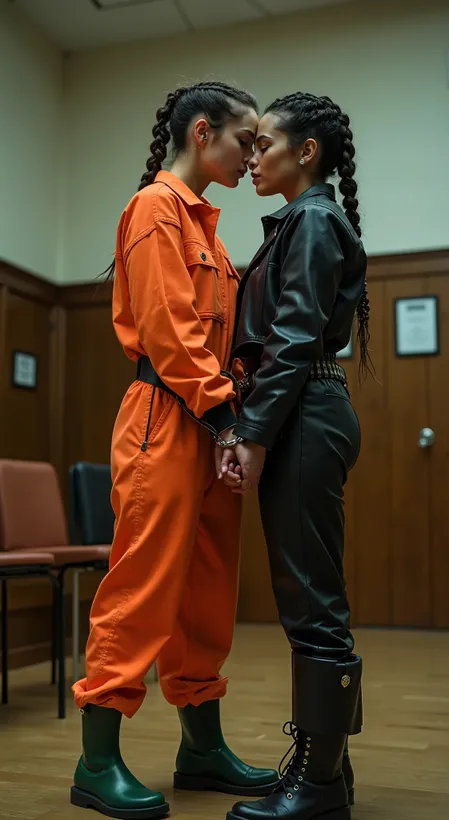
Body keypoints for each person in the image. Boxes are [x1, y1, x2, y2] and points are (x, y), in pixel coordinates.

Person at [70, 81, 279, 820]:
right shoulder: (155, 209)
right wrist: (226, 415)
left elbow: (218, 337)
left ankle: (201, 750)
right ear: (201, 132)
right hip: (167, 415)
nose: (253, 154)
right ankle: (96, 761)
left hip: (213, 420)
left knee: (207, 589)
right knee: (144, 584)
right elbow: (168, 330)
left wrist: (238, 409)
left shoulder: (211, 231)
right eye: (244, 139)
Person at [219, 93, 370, 820]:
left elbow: (293, 336)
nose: (253, 158)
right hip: (307, 410)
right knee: (309, 601)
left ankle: (316, 787)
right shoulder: (306, 219)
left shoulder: (311, 218)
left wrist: (250, 434)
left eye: (265, 144)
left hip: (303, 413)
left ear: (305, 152)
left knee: (313, 607)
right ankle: (327, 776)